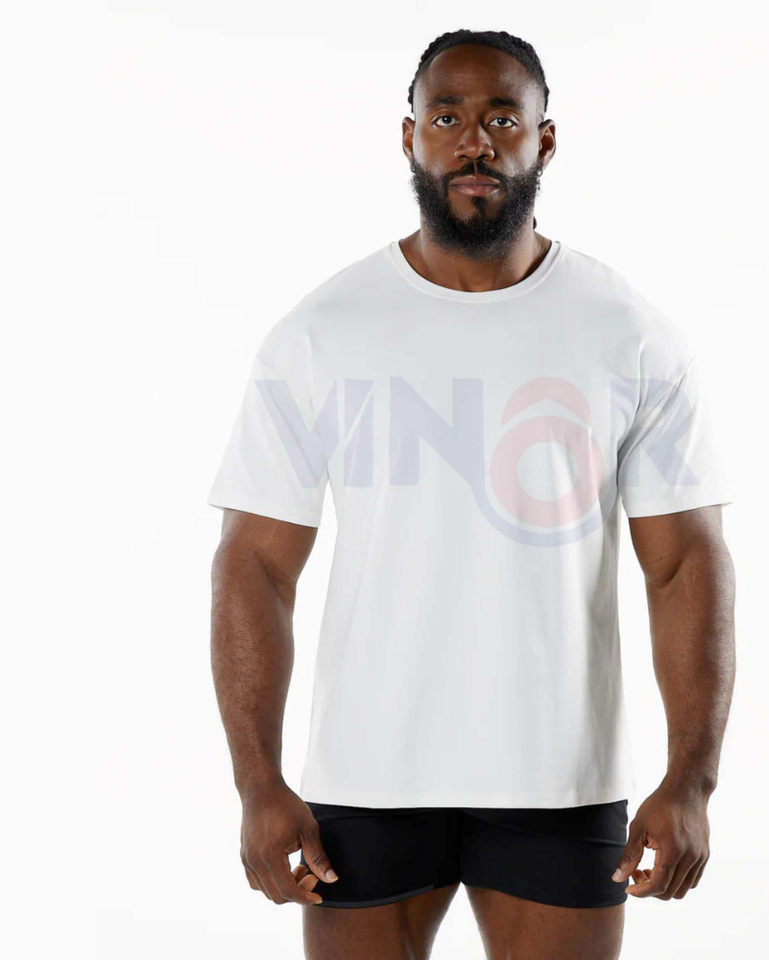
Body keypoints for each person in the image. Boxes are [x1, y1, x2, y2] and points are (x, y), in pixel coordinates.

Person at [208, 29, 736, 960]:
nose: (475, 142)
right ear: (409, 137)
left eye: (502, 118)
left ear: (545, 139)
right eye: (447, 117)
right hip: (367, 773)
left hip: (560, 778)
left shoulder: (628, 333)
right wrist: (258, 783)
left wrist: (691, 779)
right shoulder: (321, 332)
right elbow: (254, 564)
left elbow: (685, 564)